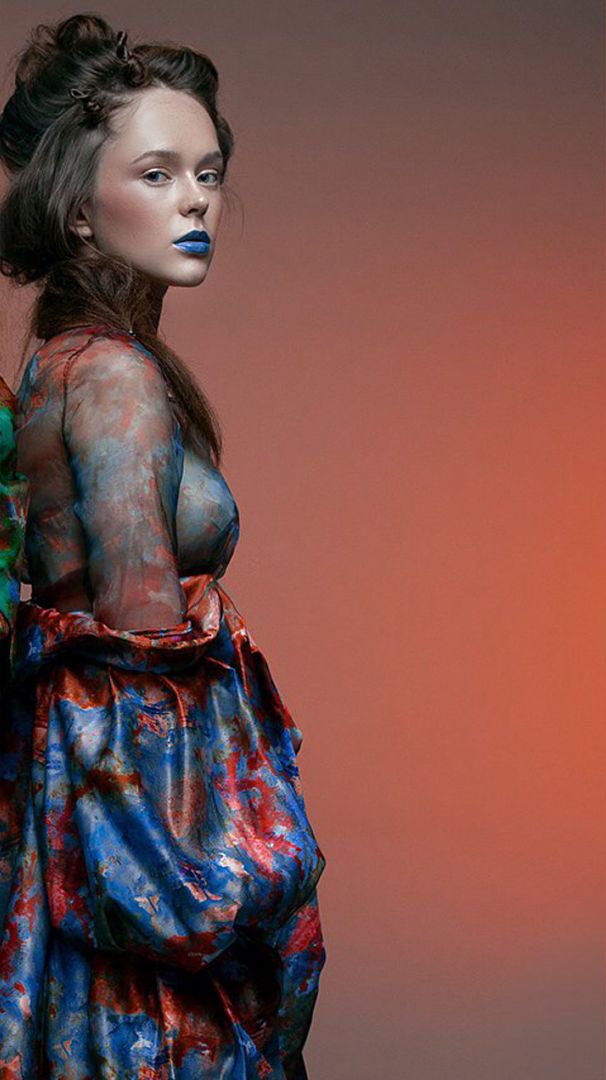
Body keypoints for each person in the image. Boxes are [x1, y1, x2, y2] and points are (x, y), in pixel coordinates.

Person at [0, 14, 326, 1077]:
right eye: (157, 173)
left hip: (75, 791)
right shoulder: (114, 377)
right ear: (77, 209)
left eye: (208, 172)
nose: (196, 200)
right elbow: (141, 648)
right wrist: (235, 875)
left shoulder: (60, 360)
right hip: (139, 809)